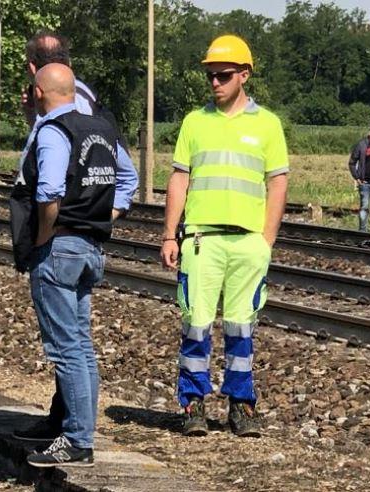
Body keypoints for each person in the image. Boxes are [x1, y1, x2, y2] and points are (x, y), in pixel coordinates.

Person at [160, 35, 289, 438]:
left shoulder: (267, 124)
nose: (215, 82)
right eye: (211, 75)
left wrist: (265, 240)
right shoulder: (194, 123)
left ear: (244, 75)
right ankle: (193, 404)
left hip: (248, 243)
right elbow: (179, 178)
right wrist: (169, 235)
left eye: (224, 75)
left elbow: (278, 183)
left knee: (241, 327)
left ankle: (241, 405)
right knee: (195, 324)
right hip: (201, 240)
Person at [9, 63, 137, 467]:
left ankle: (78, 439)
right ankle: (69, 425)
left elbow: (48, 191)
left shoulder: (53, 131)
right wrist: (102, 218)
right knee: (80, 346)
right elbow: (128, 182)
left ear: (40, 92)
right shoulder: (102, 129)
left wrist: (46, 236)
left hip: (60, 249)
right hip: (90, 250)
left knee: (66, 350)